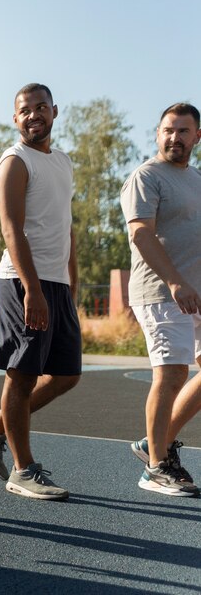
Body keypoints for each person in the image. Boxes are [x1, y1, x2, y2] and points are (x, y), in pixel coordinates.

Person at [0, 83, 79, 501]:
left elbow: (66, 227)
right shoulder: (14, 161)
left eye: (41, 108)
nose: (34, 115)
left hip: (57, 283)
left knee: (67, 374)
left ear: (54, 111)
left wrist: (72, 283)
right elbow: (11, 228)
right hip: (20, 280)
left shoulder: (63, 162)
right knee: (24, 372)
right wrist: (31, 288)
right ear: (16, 119)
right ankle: (22, 469)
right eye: (25, 110)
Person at [120, 102, 201, 497]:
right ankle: (156, 466)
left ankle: (156, 444)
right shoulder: (146, 177)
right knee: (170, 375)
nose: (175, 137)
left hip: (196, 294)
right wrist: (174, 282)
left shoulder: (197, 179)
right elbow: (140, 234)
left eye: (183, 131)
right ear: (157, 134)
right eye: (168, 130)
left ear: (197, 137)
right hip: (162, 292)